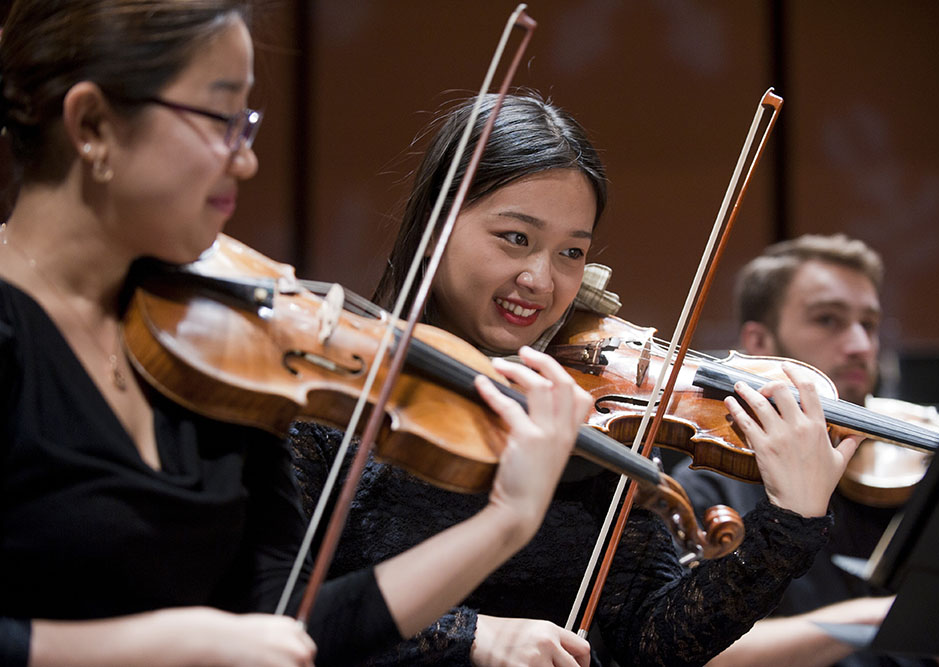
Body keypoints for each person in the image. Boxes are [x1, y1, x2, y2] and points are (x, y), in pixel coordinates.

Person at [0, 3, 594, 666]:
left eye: (246, 124)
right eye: (221, 120)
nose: (247, 159)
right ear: (92, 124)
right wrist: (164, 643)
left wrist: (506, 521)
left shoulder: (219, 343)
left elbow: (293, 627)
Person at [288, 92, 862, 666]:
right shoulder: (335, 401)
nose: (541, 279)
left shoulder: (589, 421)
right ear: (437, 224)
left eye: (571, 251)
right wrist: (472, 637)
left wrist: (789, 523)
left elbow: (649, 646)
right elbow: (279, 621)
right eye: (515, 238)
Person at [670, 234, 939, 667]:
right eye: (828, 320)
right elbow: (685, 650)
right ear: (759, 343)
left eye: (869, 324)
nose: (860, 345)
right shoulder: (711, 484)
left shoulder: (915, 473)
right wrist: (874, 618)